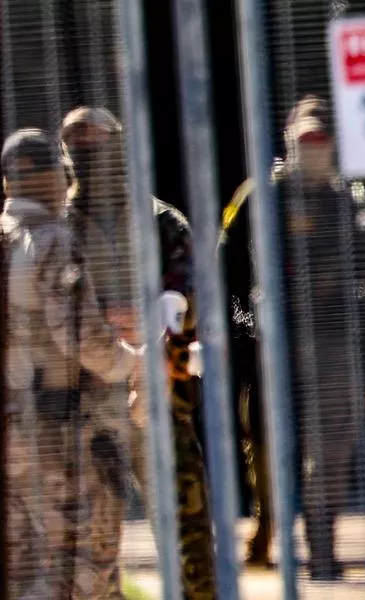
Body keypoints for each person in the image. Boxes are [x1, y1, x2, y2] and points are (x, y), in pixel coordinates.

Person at [224, 95, 365, 580]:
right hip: (269, 341)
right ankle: (267, 530)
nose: (313, 149)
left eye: (321, 141)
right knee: (266, 445)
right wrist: (243, 329)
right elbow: (226, 269)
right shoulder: (260, 195)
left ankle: (322, 549)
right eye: (304, 140)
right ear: (289, 142)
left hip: (331, 334)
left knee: (331, 446)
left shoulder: (351, 199)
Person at [59, 106, 216, 599]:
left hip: (157, 392)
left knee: (184, 524)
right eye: (77, 146)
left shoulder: (161, 220)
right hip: (85, 403)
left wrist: (154, 329)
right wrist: (98, 326)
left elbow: (194, 291)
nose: (88, 156)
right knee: (92, 539)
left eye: (97, 144)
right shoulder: (56, 227)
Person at [2, 128, 143, 598]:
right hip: (56, 432)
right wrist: (136, 364)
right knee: (86, 564)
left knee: (23, 572)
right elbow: (84, 339)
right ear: (55, 179)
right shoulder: (52, 241)